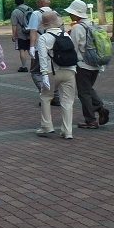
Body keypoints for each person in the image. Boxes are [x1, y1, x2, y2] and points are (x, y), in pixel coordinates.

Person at [65, 0, 109, 129]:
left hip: (82, 65)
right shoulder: (92, 24)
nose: (70, 15)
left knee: (84, 93)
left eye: (71, 13)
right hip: (95, 63)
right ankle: (100, 109)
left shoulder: (77, 28)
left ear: (76, 14)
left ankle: (90, 120)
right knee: (88, 89)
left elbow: (73, 48)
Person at [35, 9, 77, 139]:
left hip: (51, 71)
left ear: (44, 24)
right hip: (69, 70)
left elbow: (42, 57)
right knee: (68, 101)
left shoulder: (43, 38)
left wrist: (43, 74)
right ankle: (67, 131)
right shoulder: (66, 35)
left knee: (46, 97)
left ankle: (47, 126)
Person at [28, 0, 59, 105]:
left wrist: (32, 46)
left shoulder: (36, 14)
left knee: (36, 72)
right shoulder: (55, 13)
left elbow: (33, 31)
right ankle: (56, 96)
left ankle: (46, 94)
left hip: (40, 47)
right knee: (53, 71)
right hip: (54, 47)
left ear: (40, 2)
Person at [9, 0, 32, 72]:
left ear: (15, 2)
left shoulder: (15, 12)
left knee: (22, 49)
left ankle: (24, 66)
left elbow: (14, 25)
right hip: (30, 32)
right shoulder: (30, 9)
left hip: (20, 33)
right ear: (23, 1)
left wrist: (13, 35)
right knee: (31, 49)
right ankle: (36, 64)